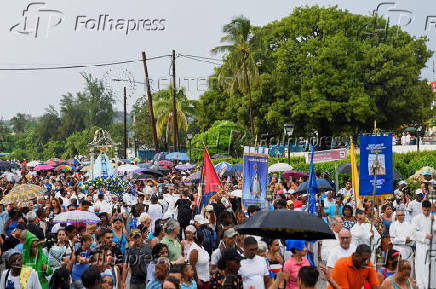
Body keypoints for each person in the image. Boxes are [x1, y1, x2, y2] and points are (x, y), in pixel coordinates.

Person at [411, 200, 432, 289]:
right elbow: (413, 233)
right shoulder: (416, 219)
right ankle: (421, 286)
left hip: (432, 246)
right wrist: (425, 235)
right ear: (422, 208)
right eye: (425, 210)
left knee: (430, 267)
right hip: (421, 246)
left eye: (428, 210)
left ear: (430, 209)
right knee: (421, 267)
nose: (426, 212)